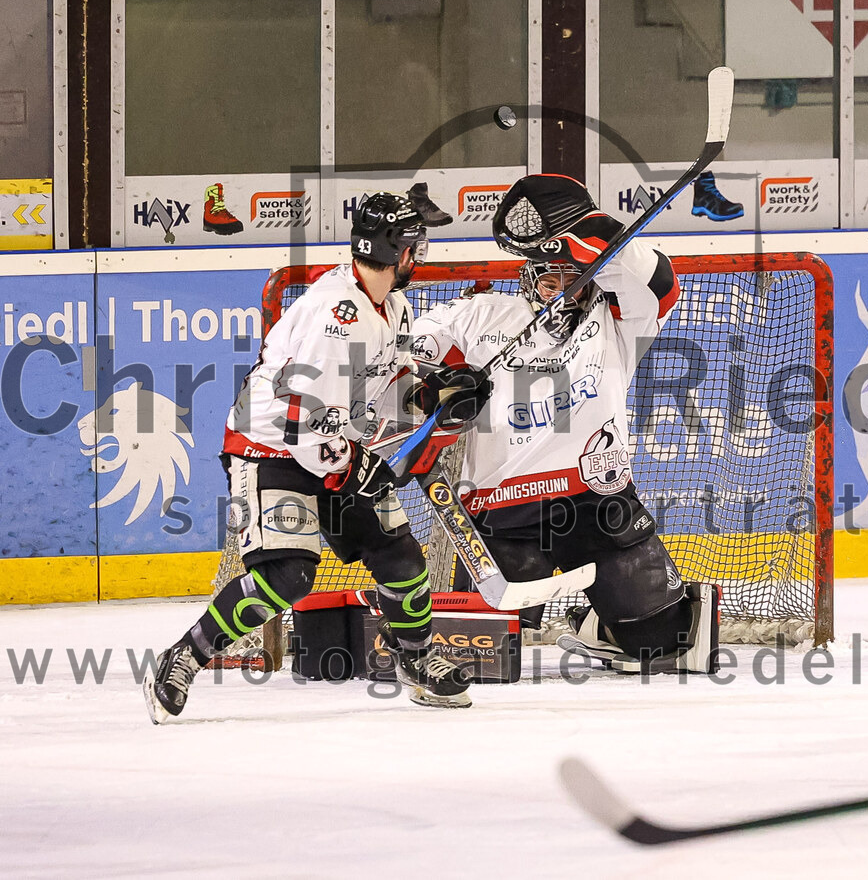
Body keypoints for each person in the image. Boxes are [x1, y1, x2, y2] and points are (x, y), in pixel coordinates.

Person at [144, 185, 492, 722]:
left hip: (330, 444)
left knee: (399, 556)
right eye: (416, 248)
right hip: (269, 449)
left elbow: (386, 386)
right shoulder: (336, 315)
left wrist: (435, 392)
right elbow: (298, 415)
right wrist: (355, 464)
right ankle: (183, 658)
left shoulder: (390, 305)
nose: (418, 259)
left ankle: (417, 660)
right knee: (290, 574)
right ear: (400, 251)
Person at [408, 174, 719, 674]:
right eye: (550, 280)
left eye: (573, 281)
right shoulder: (484, 315)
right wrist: (439, 380)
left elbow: (658, 279)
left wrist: (583, 231)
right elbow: (413, 347)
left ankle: (599, 624)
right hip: (499, 510)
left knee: (663, 641)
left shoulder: (620, 322)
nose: (560, 292)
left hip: (597, 502)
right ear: (529, 278)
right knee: (481, 654)